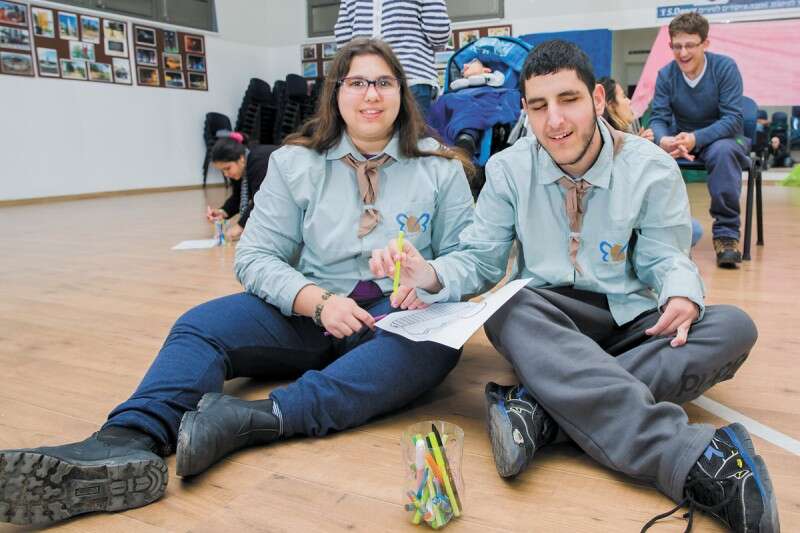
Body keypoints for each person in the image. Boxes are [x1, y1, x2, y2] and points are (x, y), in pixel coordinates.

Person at [0, 38, 475, 527]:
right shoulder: (295, 163)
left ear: (402, 93)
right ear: (335, 93)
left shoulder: (441, 167)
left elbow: (472, 258)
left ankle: (253, 419)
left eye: (383, 82)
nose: (371, 94)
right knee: (201, 325)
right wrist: (317, 301)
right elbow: (255, 255)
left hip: (395, 315)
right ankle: (124, 441)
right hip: (310, 310)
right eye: (356, 82)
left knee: (438, 343)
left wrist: (431, 275)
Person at [371, 40, 778, 533]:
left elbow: (665, 256)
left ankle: (539, 412)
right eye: (539, 106)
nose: (555, 121)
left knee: (732, 327)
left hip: (631, 320)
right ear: (525, 110)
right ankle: (689, 458)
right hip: (547, 320)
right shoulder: (507, 169)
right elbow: (480, 261)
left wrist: (679, 292)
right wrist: (431, 275)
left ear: (598, 100)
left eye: (569, 100)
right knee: (508, 305)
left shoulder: (650, 166)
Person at [650, 12, 749, 268]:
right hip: (682, 141)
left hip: (724, 139)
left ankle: (726, 236)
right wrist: (664, 140)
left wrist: (696, 138)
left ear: (705, 43)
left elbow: (733, 120)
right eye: (677, 46)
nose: (683, 53)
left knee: (723, 152)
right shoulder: (666, 75)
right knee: (648, 152)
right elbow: (658, 118)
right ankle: (659, 232)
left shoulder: (725, 68)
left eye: (690, 45)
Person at [599, 76, 704, 247]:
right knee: (693, 229)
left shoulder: (621, 138)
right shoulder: (613, 144)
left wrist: (648, 152)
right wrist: (643, 153)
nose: (629, 101)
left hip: (633, 216)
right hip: (625, 221)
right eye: (623, 96)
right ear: (610, 104)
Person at [334, 0, 451, 117]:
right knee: (414, 128)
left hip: (366, 82)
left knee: (373, 127)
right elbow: (438, 32)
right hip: (412, 76)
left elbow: (343, 39)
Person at [206, 133, 277, 241]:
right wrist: (223, 212)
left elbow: (261, 199)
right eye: (222, 171)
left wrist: (240, 226)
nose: (226, 174)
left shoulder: (258, 161)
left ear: (241, 159)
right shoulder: (242, 167)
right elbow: (237, 196)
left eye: (227, 168)